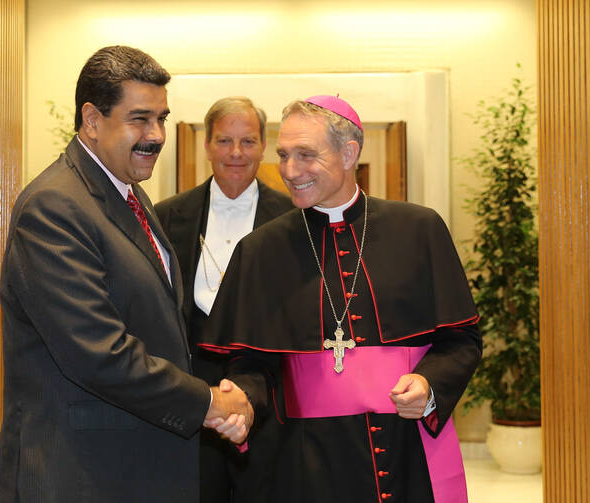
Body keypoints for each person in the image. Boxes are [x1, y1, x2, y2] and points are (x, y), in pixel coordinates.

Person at [0, 46, 250, 503]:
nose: (155, 136)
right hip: (81, 477)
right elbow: (99, 353)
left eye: (161, 119)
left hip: (132, 470)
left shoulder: (129, 196)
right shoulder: (55, 206)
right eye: (139, 119)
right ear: (91, 121)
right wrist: (208, 402)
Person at [200, 95, 482, 503]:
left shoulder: (419, 230)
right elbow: (254, 366)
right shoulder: (260, 250)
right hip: (301, 462)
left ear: (349, 153)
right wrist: (242, 401)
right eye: (283, 155)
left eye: (306, 155)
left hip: (407, 449)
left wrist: (429, 384)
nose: (290, 171)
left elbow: (461, 341)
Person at [155, 96, 294, 502]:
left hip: (267, 395)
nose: (236, 153)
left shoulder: (293, 220)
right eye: (224, 141)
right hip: (189, 391)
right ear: (206, 145)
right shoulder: (165, 216)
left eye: (248, 142)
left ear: (263, 147)